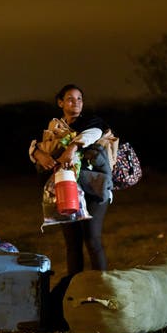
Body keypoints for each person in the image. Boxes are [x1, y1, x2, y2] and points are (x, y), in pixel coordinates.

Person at [29, 84, 111, 277]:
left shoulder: (92, 121)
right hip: (65, 189)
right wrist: (38, 153)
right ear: (60, 102)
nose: (76, 102)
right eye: (70, 99)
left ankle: (102, 287)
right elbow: (34, 144)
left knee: (92, 239)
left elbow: (94, 133)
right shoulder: (54, 128)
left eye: (80, 99)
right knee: (72, 244)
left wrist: (71, 148)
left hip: (94, 188)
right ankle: (73, 289)